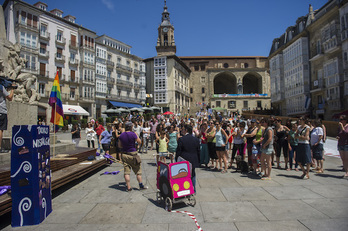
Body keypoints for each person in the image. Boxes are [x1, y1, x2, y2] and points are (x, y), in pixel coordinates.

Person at [118, 121, 148, 191]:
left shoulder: (122, 135)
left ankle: (128, 187)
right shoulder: (133, 134)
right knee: (138, 171)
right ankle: (140, 185)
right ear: (131, 127)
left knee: (126, 172)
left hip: (125, 154)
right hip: (133, 154)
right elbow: (139, 142)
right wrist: (137, 136)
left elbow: (119, 145)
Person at [175, 124, 200, 192]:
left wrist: (176, 159)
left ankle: (185, 190)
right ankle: (193, 189)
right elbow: (198, 151)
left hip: (184, 160)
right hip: (193, 160)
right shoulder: (196, 140)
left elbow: (178, 151)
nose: (182, 131)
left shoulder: (182, 139)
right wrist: (198, 161)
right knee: (193, 174)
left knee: (183, 176)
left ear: (186, 130)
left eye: (183, 129)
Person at [0, 83, 14, 152]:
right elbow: (10, 98)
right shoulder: (1, 87)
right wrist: (12, 90)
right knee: (0, 129)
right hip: (1, 111)